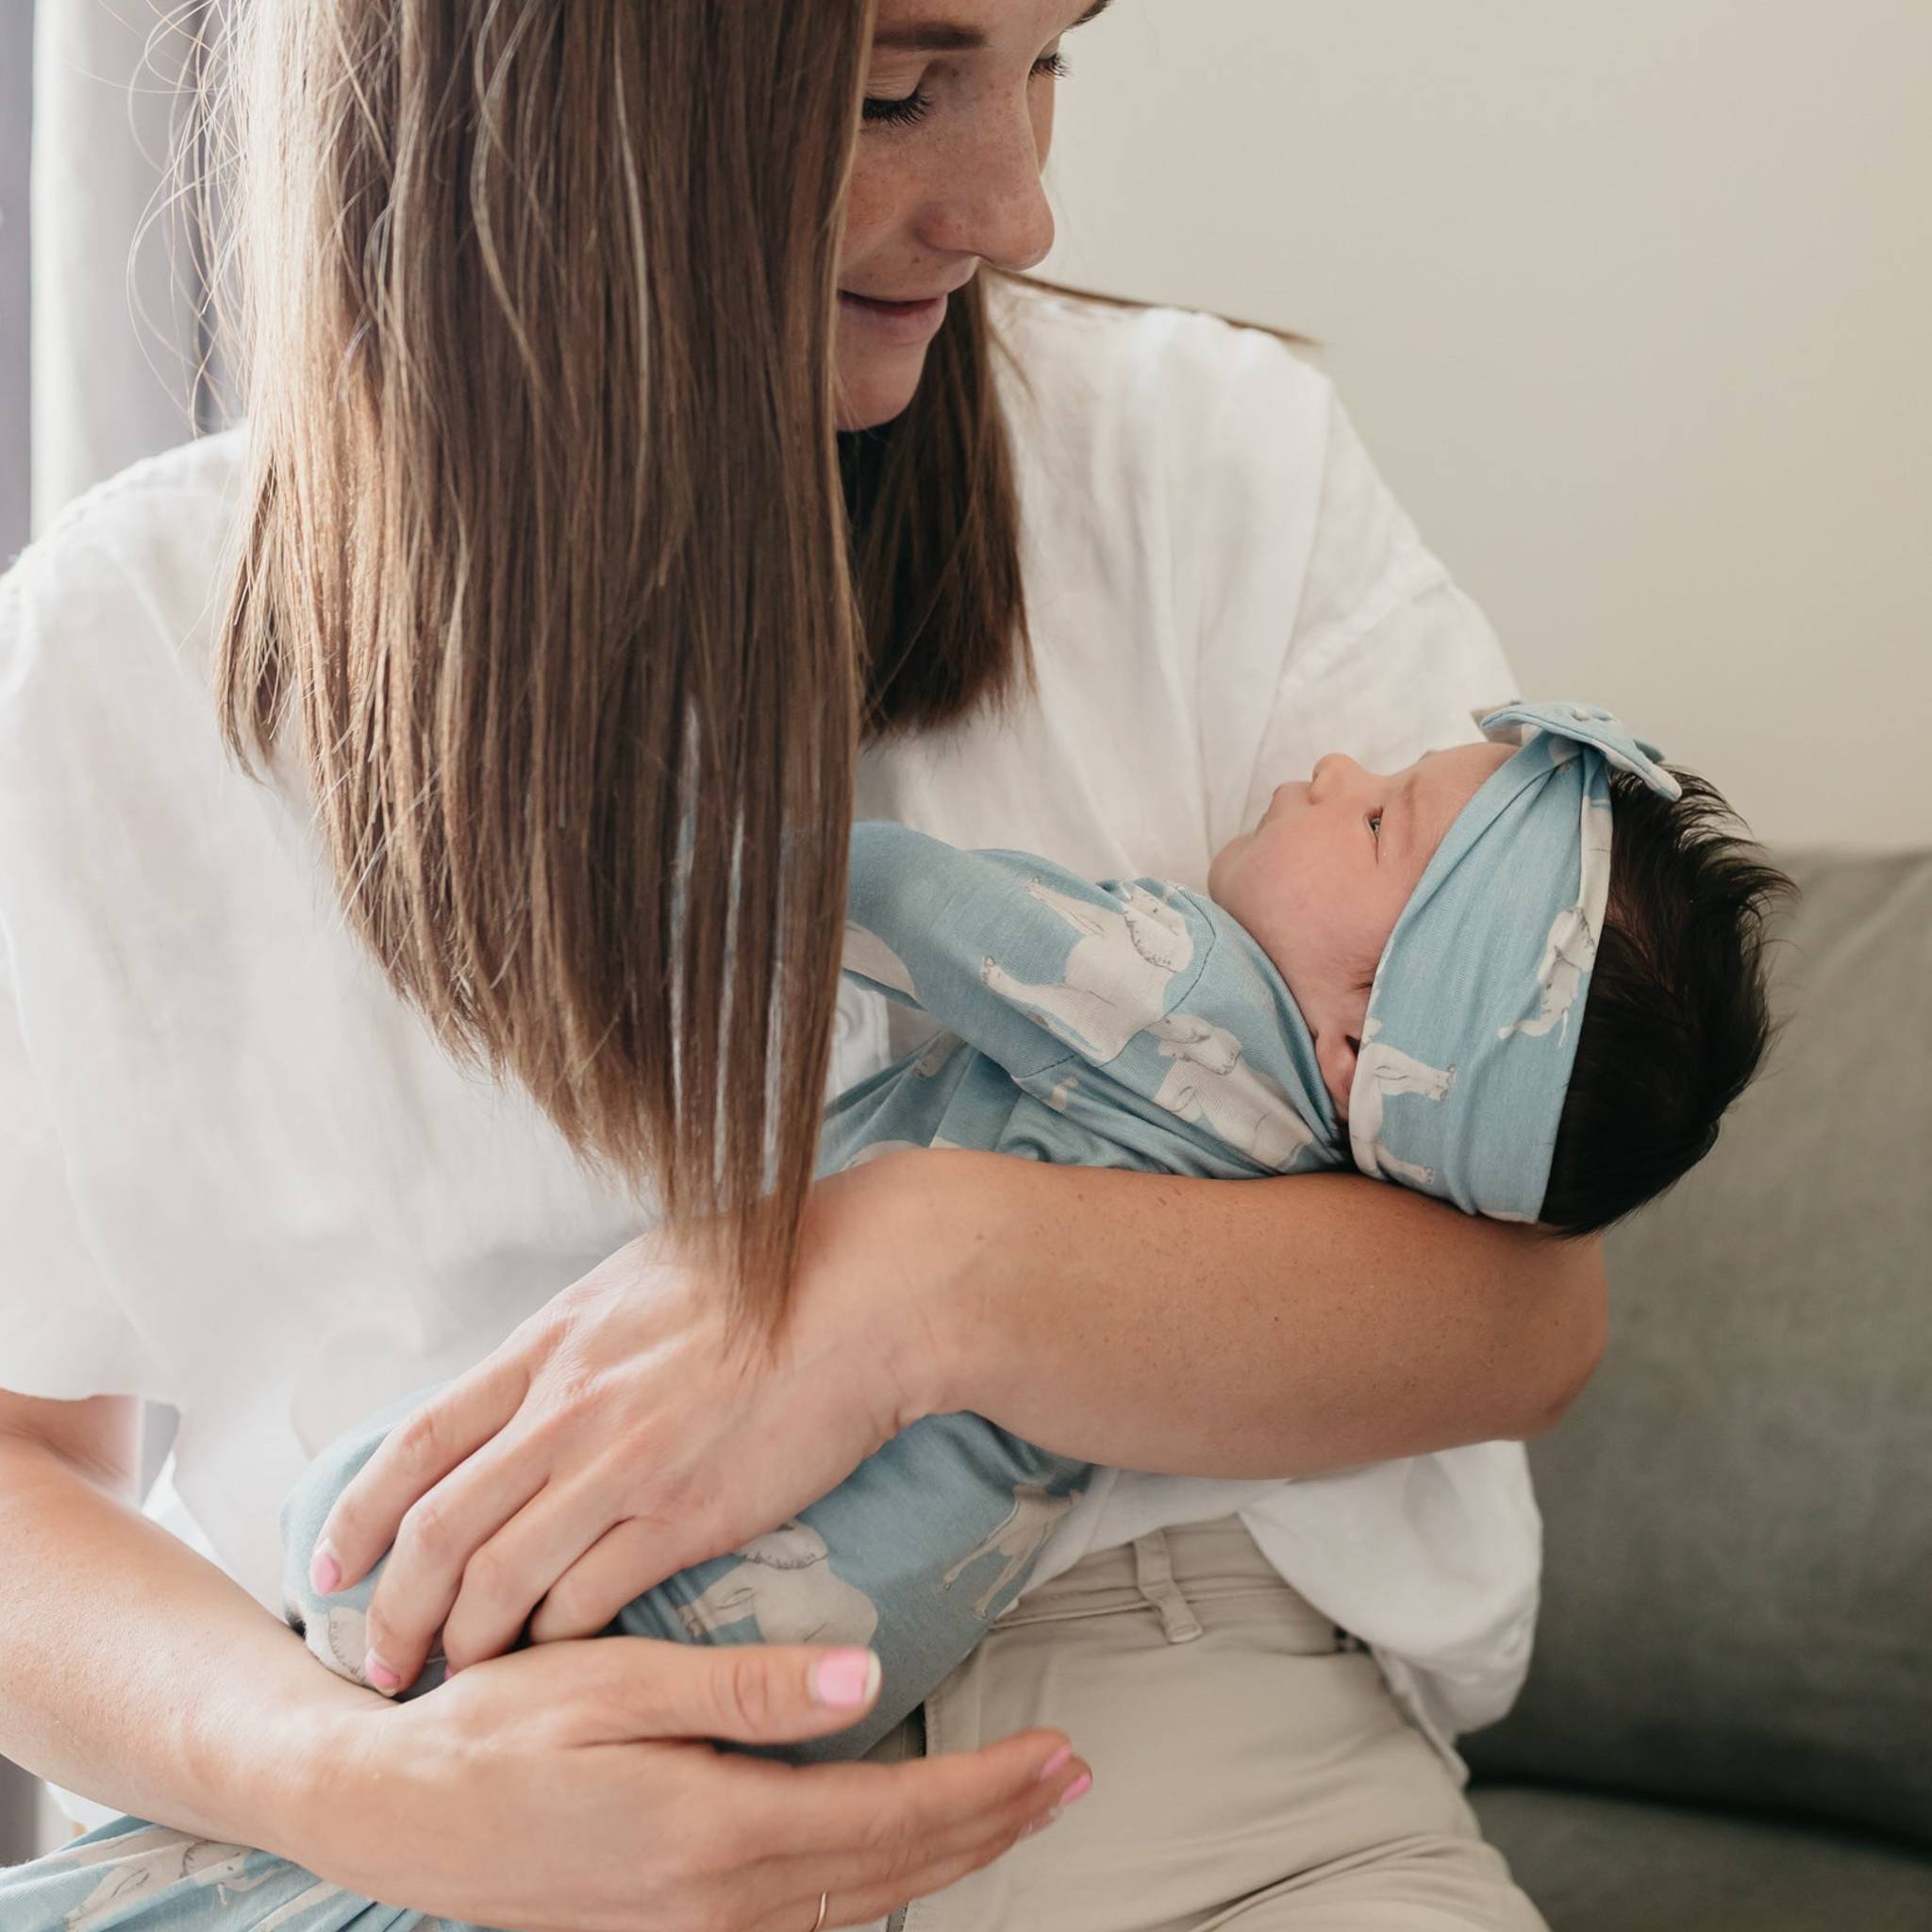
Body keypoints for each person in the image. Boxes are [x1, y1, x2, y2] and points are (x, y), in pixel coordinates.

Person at [0, 4, 1612, 1929]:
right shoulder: (117, 651)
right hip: (485, 1810)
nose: (1016, 207)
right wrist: (343, 1781)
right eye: (892, 93)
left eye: (1046, 66)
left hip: (1173, 1756)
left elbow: (1522, 1319)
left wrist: (918, 1278)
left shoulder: (1201, 461)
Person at [0, 701, 1788, 1932]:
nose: (1332, 765)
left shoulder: (1178, 984)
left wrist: (682, 869)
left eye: (1380, 816)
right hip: (863, 1654)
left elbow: (923, 911)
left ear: (1363, 1039)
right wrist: (322, 1779)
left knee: (391, 1562)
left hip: (1187, 1755)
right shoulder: (1342, 1168)